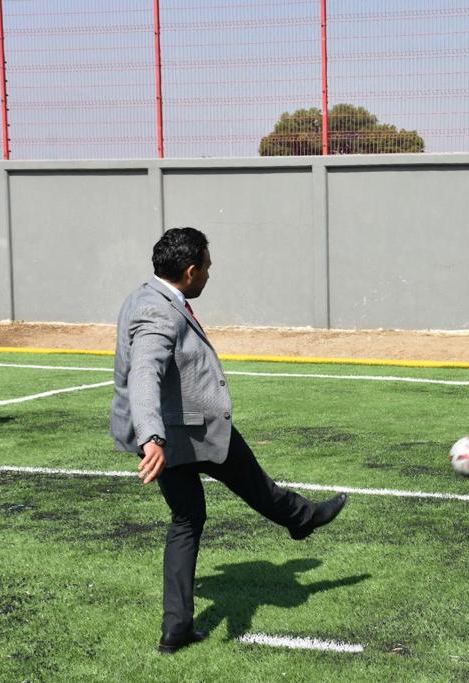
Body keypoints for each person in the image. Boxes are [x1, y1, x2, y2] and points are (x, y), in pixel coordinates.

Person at [110, 227, 348, 654]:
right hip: (192, 433)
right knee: (259, 489)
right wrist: (152, 437)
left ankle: (176, 629)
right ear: (189, 271)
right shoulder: (159, 313)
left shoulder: (141, 296)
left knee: (186, 520)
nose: (209, 274)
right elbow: (145, 371)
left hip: (173, 437)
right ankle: (303, 519)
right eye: (206, 268)